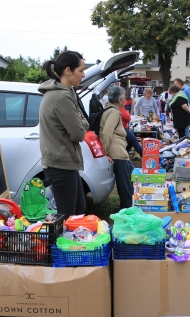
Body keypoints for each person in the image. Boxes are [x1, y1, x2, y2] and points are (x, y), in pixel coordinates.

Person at [39, 50, 89, 218]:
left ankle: (73, 243)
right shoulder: (61, 96)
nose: (83, 74)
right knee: (68, 217)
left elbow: (82, 124)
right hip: (60, 164)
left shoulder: (66, 92)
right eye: (80, 70)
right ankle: (63, 245)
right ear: (68, 71)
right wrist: (79, 123)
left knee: (78, 210)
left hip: (65, 163)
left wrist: (79, 123)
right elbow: (79, 134)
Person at [100, 85, 134, 209]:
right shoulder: (114, 112)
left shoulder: (110, 109)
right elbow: (106, 132)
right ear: (120, 100)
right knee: (125, 186)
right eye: (124, 98)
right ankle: (127, 210)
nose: (125, 100)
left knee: (132, 173)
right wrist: (104, 153)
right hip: (117, 154)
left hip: (120, 153)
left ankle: (130, 205)